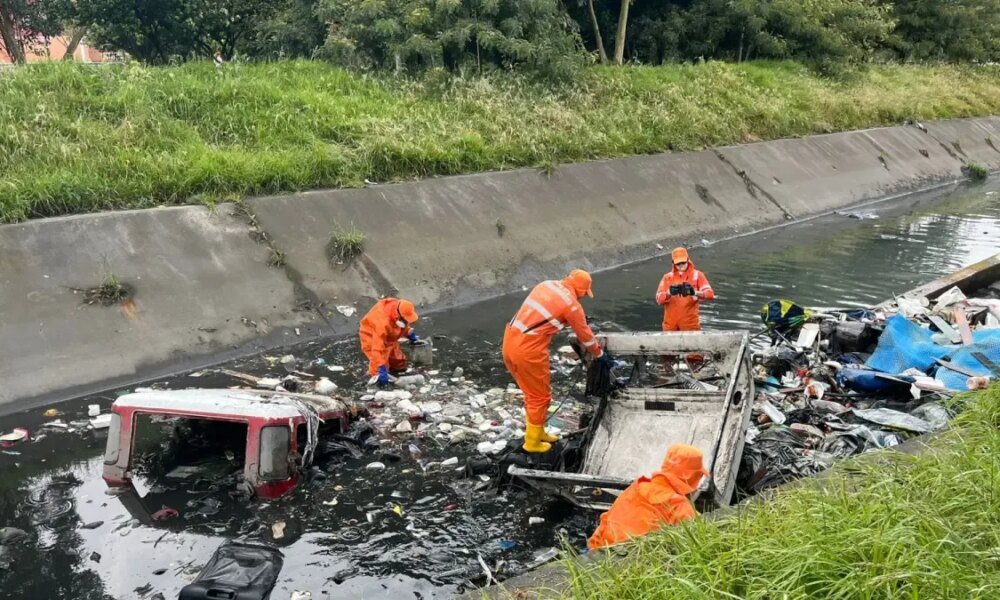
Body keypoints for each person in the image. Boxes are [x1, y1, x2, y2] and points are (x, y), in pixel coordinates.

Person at [503, 269, 610, 453]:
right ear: (581, 290)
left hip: (510, 341)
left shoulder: (545, 284)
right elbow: (586, 337)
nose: (584, 296)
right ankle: (532, 443)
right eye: (585, 293)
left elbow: (544, 314)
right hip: (529, 350)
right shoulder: (572, 305)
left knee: (531, 393)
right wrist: (600, 355)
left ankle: (538, 431)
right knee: (540, 396)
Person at [587, 444, 707, 550]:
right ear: (691, 477)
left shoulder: (639, 484)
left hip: (597, 552)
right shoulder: (679, 505)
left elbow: (608, 518)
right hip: (631, 564)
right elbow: (699, 541)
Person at [359, 298, 420, 386]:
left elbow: (401, 324)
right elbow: (377, 349)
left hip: (389, 336)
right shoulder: (382, 322)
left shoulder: (398, 311)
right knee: (378, 368)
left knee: (399, 362)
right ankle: (377, 382)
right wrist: (381, 368)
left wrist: (409, 334)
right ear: (399, 316)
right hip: (371, 336)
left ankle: (394, 374)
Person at [655, 247, 714, 331]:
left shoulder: (698, 275)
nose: (681, 265)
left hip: (690, 325)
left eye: (683, 262)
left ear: (688, 260)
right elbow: (659, 300)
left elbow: (710, 294)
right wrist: (668, 293)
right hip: (670, 326)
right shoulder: (667, 277)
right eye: (678, 263)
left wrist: (694, 292)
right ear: (673, 263)